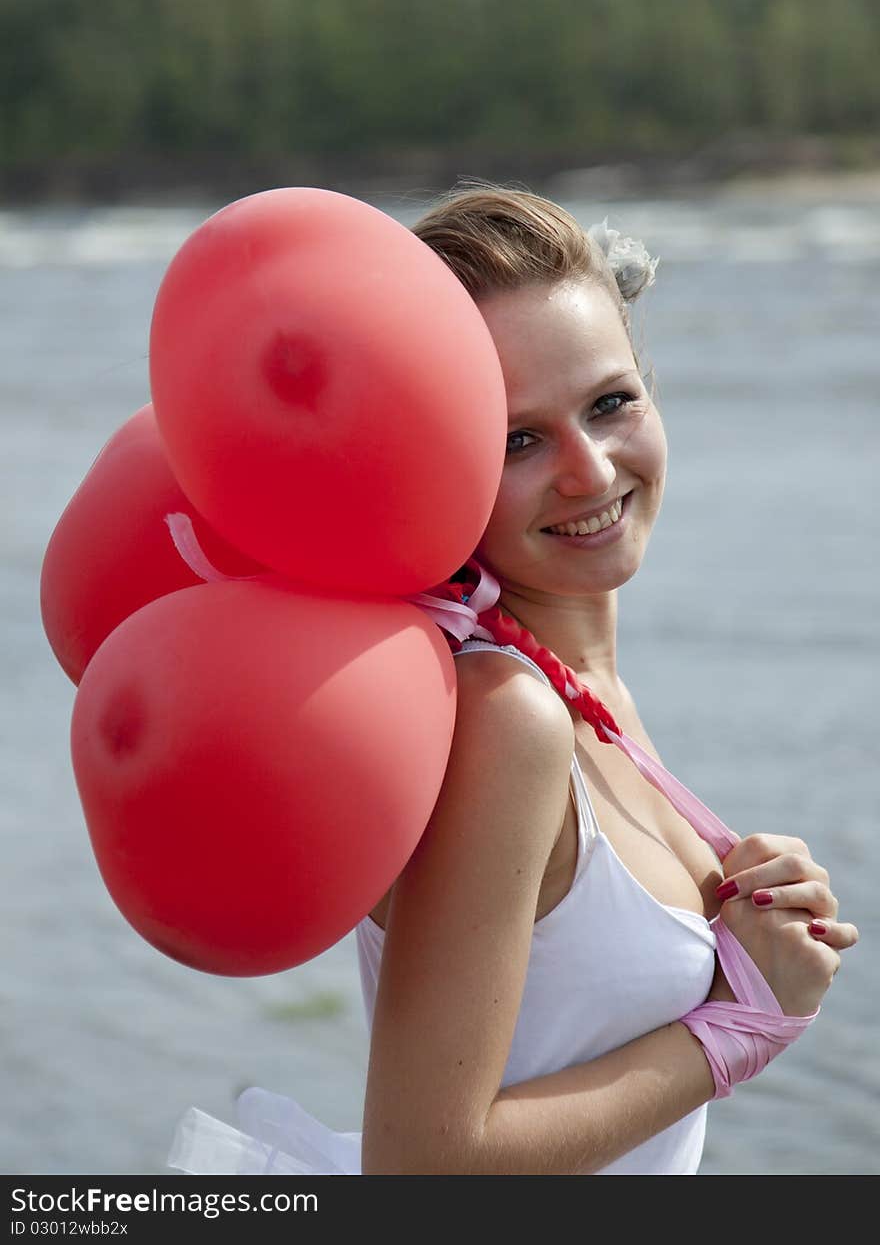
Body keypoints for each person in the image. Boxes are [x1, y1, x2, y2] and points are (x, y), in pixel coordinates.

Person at [169, 185, 858, 1176]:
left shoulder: (579, 694)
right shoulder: (505, 715)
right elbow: (424, 1163)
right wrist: (736, 1028)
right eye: (516, 439)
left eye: (610, 402)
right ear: (428, 461)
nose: (588, 471)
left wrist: (751, 914)